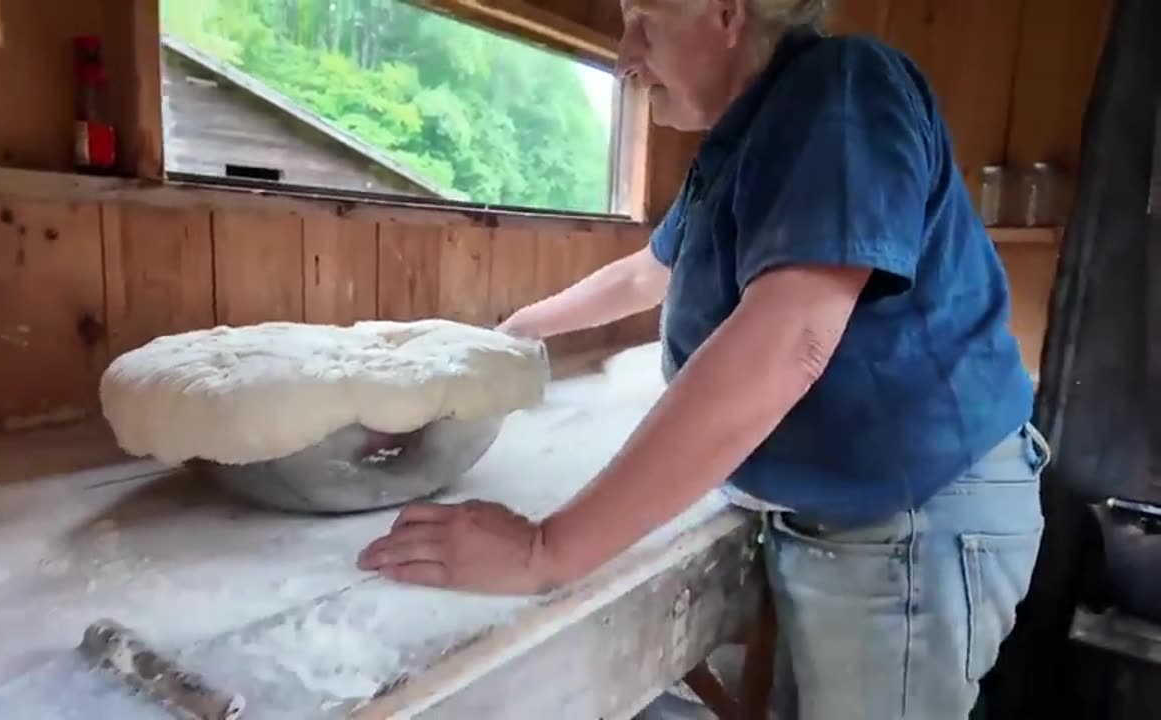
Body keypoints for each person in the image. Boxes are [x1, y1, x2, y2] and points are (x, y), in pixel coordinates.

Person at [357, 0, 1051, 717]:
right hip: (854, 515)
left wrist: (545, 549)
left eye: (643, 19)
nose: (625, 55)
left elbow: (789, 341)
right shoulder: (747, 138)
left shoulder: (839, 93)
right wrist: (511, 335)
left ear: (724, 13)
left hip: (915, 520)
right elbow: (644, 275)